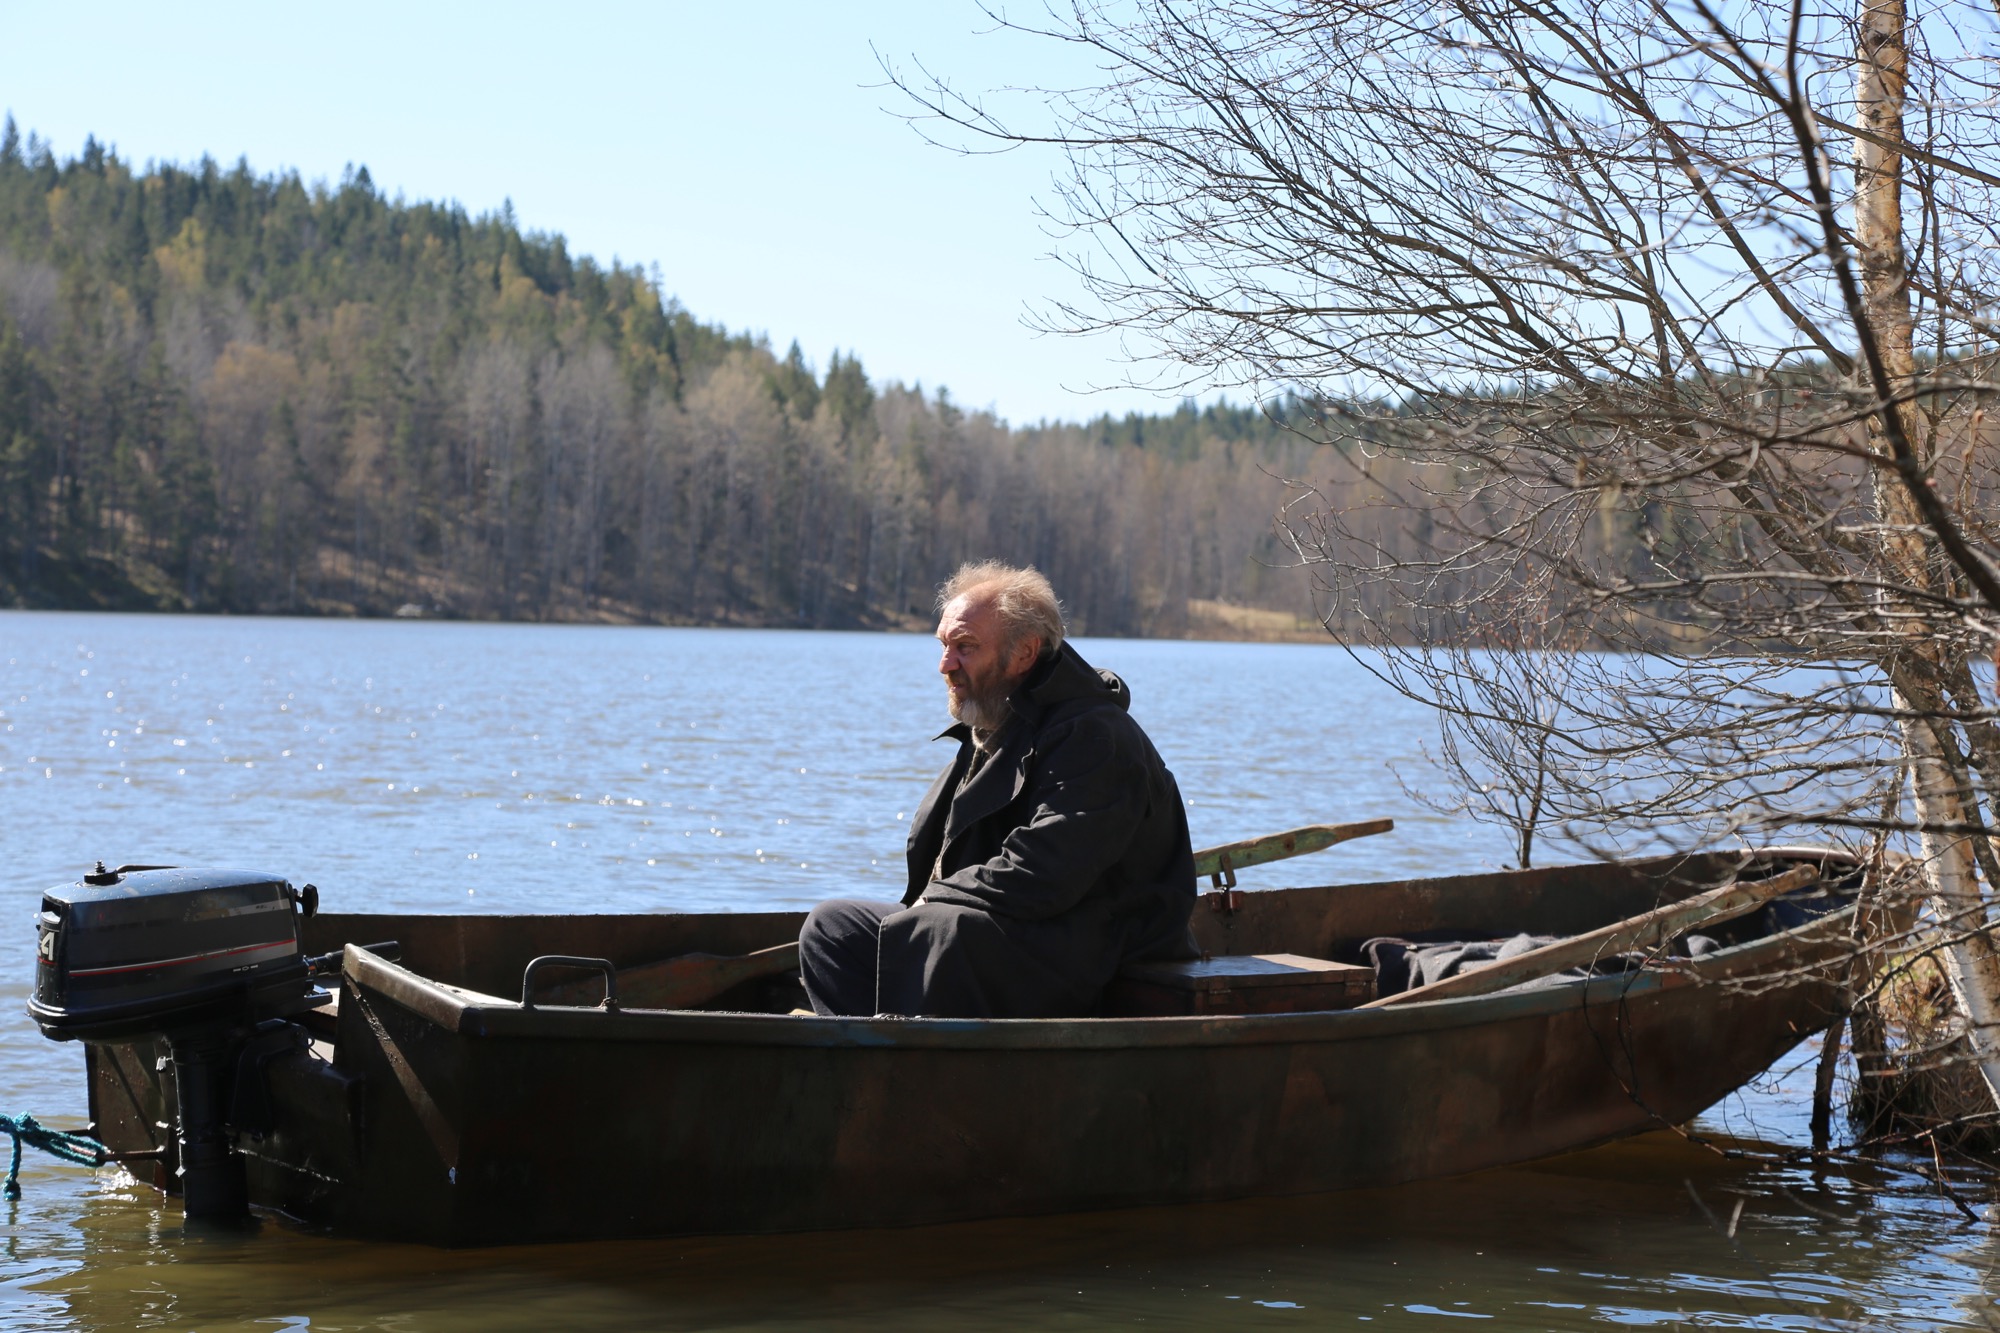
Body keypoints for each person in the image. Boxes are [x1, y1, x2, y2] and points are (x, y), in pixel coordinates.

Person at [798, 560, 1196, 1018]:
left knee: (940, 929)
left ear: (1025, 653)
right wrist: (931, 905)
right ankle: (866, 1063)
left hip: (1097, 948)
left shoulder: (1095, 737)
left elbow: (1046, 871)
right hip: (1009, 927)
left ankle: (917, 1069)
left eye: (965, 647)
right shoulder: (994, 722)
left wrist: (935, 900)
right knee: (833, 928)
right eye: (944, 645)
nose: (946, 665)